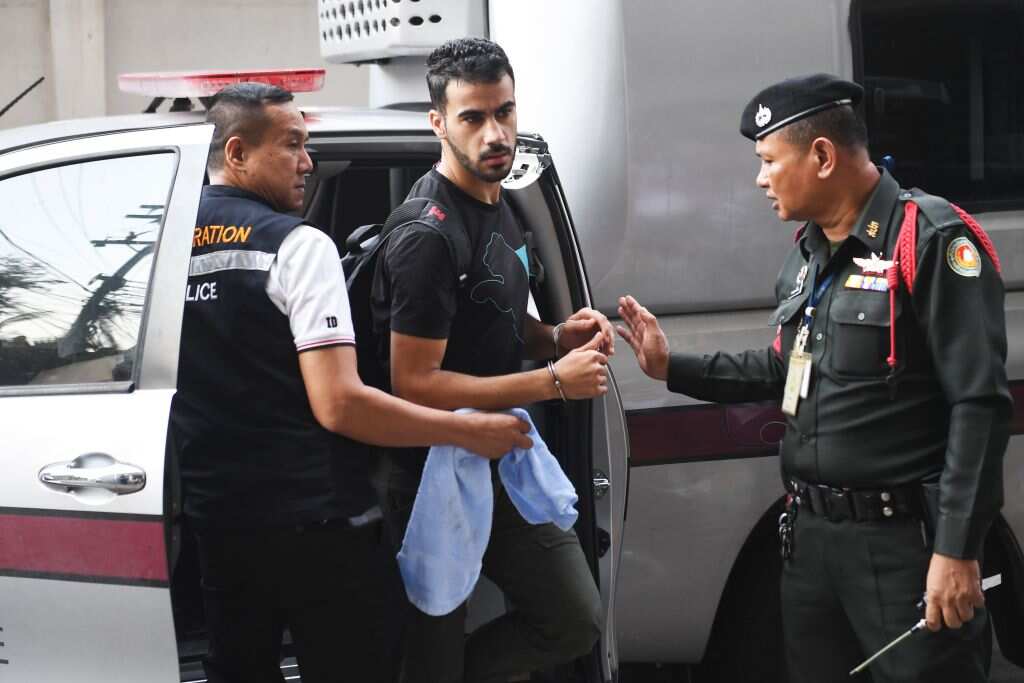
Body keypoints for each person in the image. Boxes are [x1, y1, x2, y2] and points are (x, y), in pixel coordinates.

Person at [617, 73, 1011, 683]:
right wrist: (671, 367)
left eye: (769, 160)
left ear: (822, 157)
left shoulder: (929, 240)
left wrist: (956, 549)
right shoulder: (808, 254)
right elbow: (786, 368)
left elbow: (978, 405)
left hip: (903, 546)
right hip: (811, 542)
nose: (760, 178)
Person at [170, 82, 532, 683]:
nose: (307, 162)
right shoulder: (298, 246)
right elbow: (340, 404)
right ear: (237, 153)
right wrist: (465, 431)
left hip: (218, 521)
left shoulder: (165, 243)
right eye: (292, 145)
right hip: (315, 524)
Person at [371, 38, 608, 683]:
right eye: (473, 118)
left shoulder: (499, 202)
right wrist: (553, 382)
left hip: (501, 454)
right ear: (438, 123)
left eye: (504, 112)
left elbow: (494, 313)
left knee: (573, 618)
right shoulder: (426, 235)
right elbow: (413, 382)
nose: (496, 133)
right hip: (429, 469)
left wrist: (555, 338)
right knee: (434, 652)